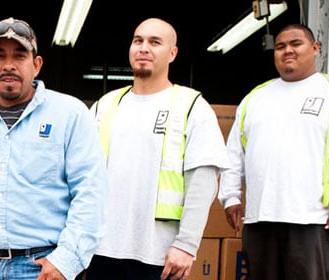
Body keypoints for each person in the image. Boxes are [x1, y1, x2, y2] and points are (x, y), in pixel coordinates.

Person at [0, 17, 108, 280]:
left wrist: (67, 260)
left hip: (42, 268)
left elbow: (91, 192)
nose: (9, 65)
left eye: (20, 56)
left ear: (36, 65)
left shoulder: (70, 115)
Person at [218, 23, 329, 280]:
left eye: (295, 44)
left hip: (314, 221)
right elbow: (234, 154)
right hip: (261, 219)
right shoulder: (256, 98)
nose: (287, 50)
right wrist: (230, 197)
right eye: (280, 46)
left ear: (315, 48)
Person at [83, 18, 229, 280]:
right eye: (138, 40)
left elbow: (203, 182)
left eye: (155, 42)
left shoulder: (192, 106)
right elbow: (81, 176)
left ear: (172, 53)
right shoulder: (105, 105)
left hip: (159, 256)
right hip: (101, 250)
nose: (143, 48)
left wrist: (186, 245)